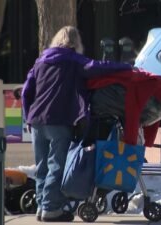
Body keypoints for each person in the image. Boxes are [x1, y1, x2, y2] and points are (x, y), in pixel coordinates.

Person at [21, 25, 133, 222]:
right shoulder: (72, 60)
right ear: (75, 42)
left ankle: (41, 207)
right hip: (59, 119)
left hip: (37, 120)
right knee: (57, 165)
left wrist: (27, 115)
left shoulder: (40, 61)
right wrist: (127, 66)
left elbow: (26, 91)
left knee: (41, 166)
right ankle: (51, 209)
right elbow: (98, 67)